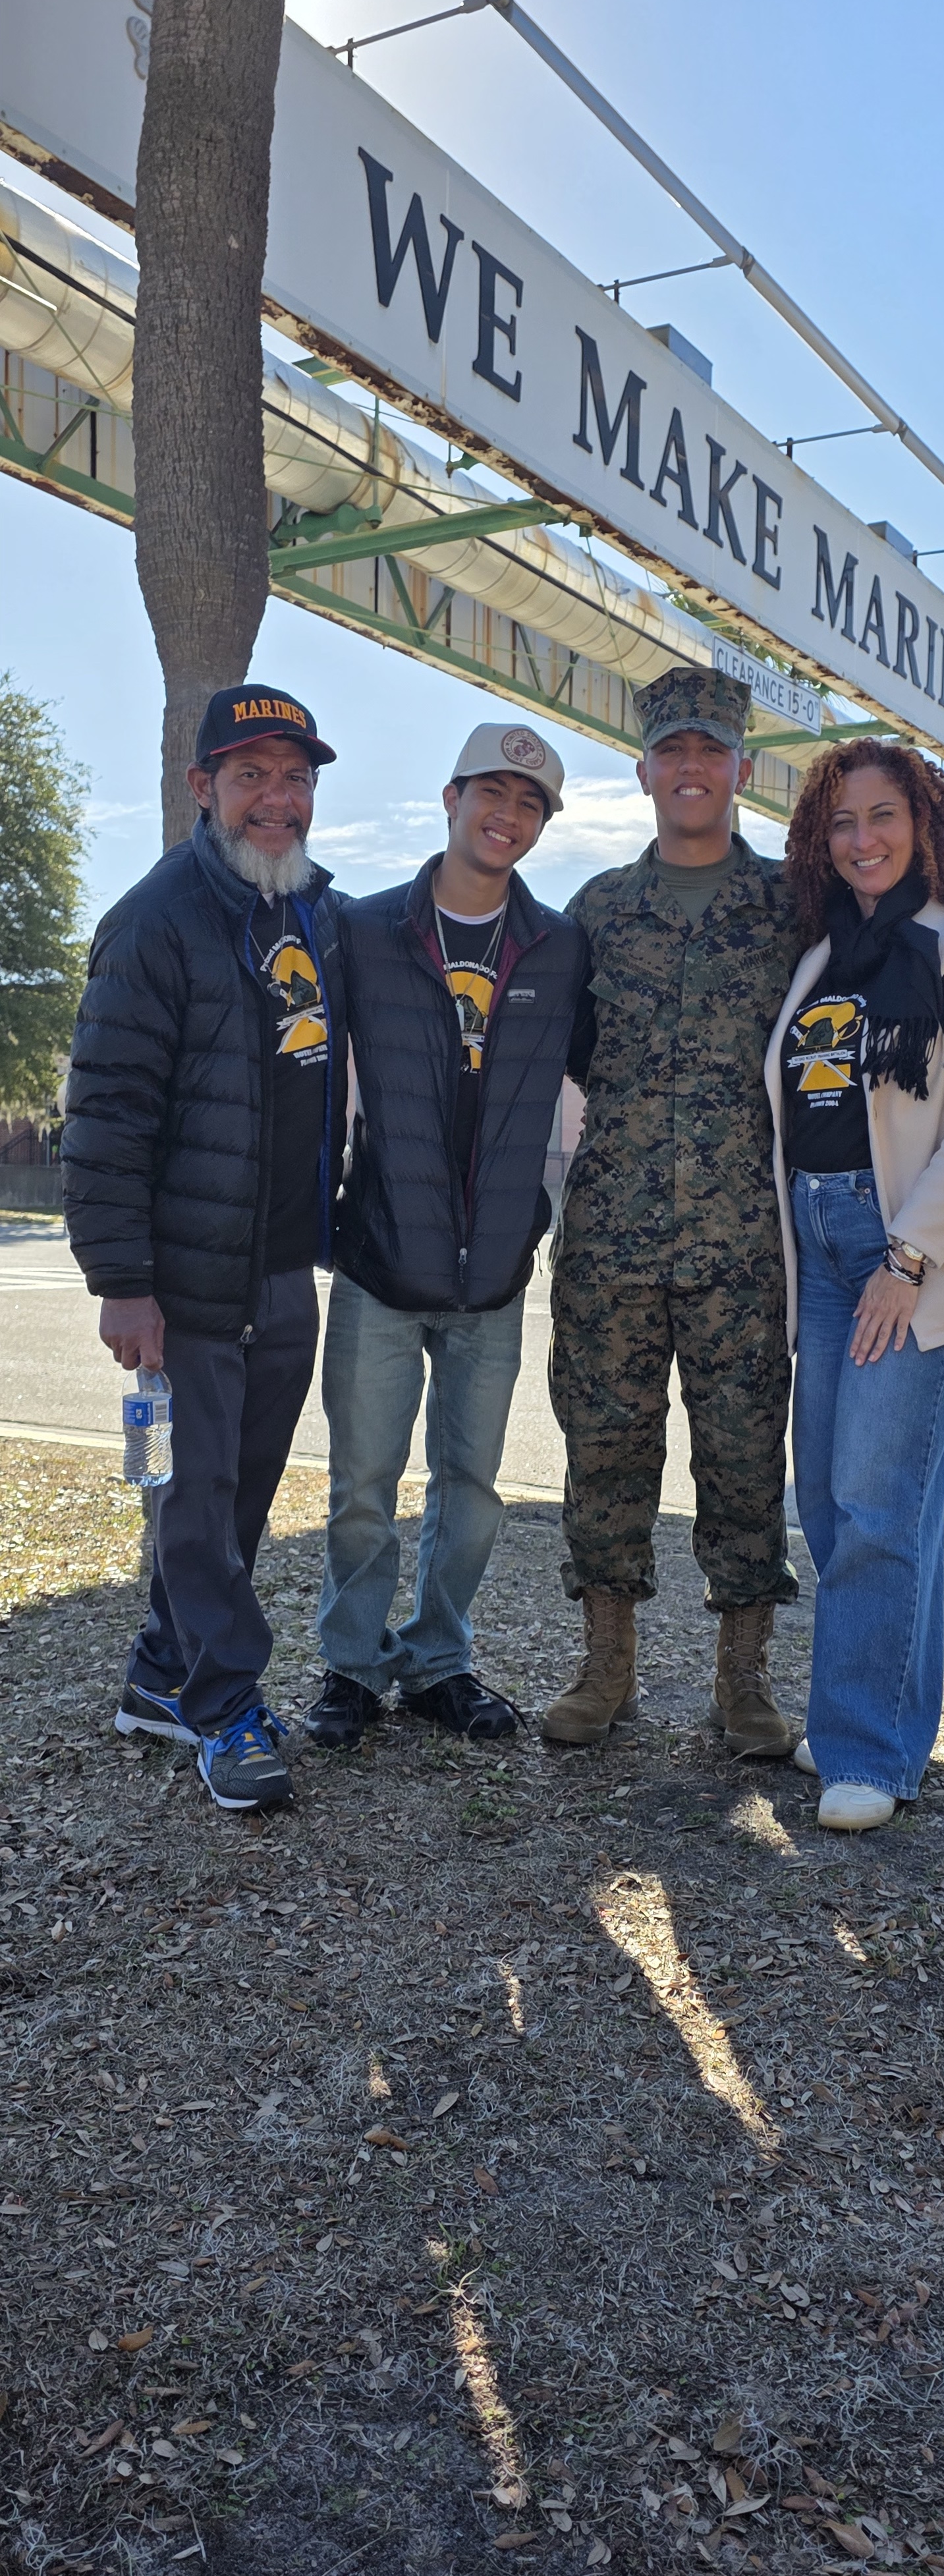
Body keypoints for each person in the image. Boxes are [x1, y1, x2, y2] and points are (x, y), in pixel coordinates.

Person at [62, 686, 348, 1813]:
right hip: (182, 1288)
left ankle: (155, 1674)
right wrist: (124, 1284)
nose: (278, 800)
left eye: (297, 779)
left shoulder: (305, 915)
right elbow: (107, 1118)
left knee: (235, 1498)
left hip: (280, 1273)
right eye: (252, 776)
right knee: (188, 1494)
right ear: (202, 788)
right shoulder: (155, 920)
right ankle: (225, 1710)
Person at [306, 721, 590, 1752]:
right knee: (361, 1492)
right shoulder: (364, 930)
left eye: (530, 805)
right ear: (450, 795)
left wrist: (537, 1215)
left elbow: (608, 1082)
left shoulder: (559, 950)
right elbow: (300, 1065)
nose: (506, 816)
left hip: (494, 1281)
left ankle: (438, 1660)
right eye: (491, 794)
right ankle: (349, 1665)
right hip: (382, 1265)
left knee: (470, 1491)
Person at [767, 741, 944, 1832]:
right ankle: (863, 1725)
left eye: (883, 815)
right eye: (840, 822)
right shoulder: (822, 957)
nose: (862, 839)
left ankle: (866, 1751)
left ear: (924, 824)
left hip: (906, 1255)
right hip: (820, 1248)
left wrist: (907, 1258)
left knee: (881, 1503)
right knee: (835, 1504)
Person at [542, 666, 803, 1753]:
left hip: (745, 1240)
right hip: (611, 1238)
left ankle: (743, 1683)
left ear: (742, 769)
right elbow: (543, 1054)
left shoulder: (794, 907)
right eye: (673, 751)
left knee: (744, 1458)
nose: (692, 768)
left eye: (712, 751)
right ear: (646, 769)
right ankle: (608, 1669)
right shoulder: (598, 910)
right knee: (605, 1452)